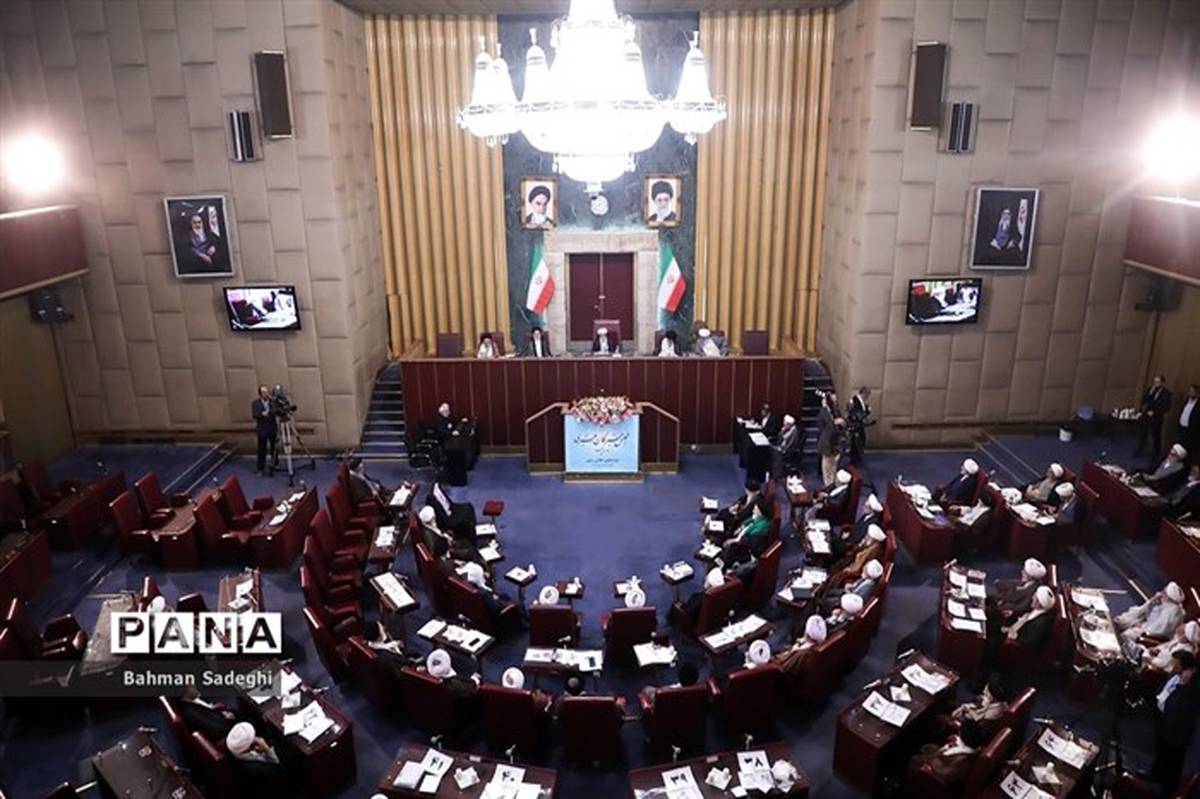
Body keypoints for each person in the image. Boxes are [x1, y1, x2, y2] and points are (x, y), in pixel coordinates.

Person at [1151, 651, 1200, 793]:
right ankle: (1156, 776)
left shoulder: (1192, 686)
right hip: (1163, 720)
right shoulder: (1174, 674)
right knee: (1161, 752)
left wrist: (1184, 684)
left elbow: (1185, 708)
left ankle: (1167, 788)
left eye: (1175, 664)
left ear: (1185, 666)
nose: (1172, 666)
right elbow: (1164, 689)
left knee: (1172, 760)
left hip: (1177, 731)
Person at [908, 718, 989, 790]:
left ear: (961, 735)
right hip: (943, 758)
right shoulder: (976, 746)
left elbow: (941, 773)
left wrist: (936, 755)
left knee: (915, 759)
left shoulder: (958, 765)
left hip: (935, 773)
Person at [225, 721, 292, 791]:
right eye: (254, 737)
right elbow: (279, 771)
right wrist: (266, 749)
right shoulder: (256, 770)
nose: (256, 738)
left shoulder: (233, 749)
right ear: (250, 746)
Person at [1115, 582, 1186, 645]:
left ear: (1168, 597)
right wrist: (1152, 601)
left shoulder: (1173, 612)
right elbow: (1142, 612)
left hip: (1150, 635)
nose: (1160, 593)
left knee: (1128, 634)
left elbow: (1158, 630)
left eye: (1164, 592)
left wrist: (1141, 626)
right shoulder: (1162, 602)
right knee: (1123, 620)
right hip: (1144, 624)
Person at [986, 557, 1048, 626]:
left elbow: (1020, 608)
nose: (1022, 572)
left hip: (1006, 615)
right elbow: (1017, 583)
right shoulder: (1030, 582)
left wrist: (1001, 604)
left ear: (1032, 577)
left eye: (1025, 572)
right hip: (1003, 601)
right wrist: (999, 582)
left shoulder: (1033, 593)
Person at [999, 585, 1056, 650]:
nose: (1032, 597)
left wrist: (1012, 636)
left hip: (1014, 645)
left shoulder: (1041, 624)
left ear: (1039, 603)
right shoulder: (1036, 607)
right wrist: (1012, 613)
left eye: (1034, 597)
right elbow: (1025, 613)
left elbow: (1028, 644)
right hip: (1013, 629)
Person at [774, 614, 827, 679]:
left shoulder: (802, 655)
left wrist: (791, 652)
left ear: (806, 634)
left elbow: (781, 669)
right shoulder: (817, 649)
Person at [1136, 375, 1173, 463]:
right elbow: (1144, 401)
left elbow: (1166, 407)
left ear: (1162, 383)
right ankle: (1139, 450)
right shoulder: (1150, 389)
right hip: (1146, 416)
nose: (1156, 384)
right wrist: (1150, 393)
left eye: (1158, 382)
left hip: (1157, 418)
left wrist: (1155, 412)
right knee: (1143, 434)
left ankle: (1155, 454)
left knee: (1156, 436)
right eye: (1155, 382)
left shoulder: (1167, 394)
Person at [816, 392, 843, 486]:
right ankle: (829, 487)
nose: (835, 402)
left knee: (833, 468)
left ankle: (832, 485)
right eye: (833, 400)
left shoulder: (835, 411)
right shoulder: (824, 412)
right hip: (827, 444)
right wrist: (834, 423)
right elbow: (826, 427)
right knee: (827, 470)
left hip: (835, 444)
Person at [251, 384, 277, 476]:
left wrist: (270, 412)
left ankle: (274, 465)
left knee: (274, 448)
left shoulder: (273, 402)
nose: (266, 394)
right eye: (264, 392)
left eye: (267, 391)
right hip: (262, 429)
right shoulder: (255, 403)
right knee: (262, 449)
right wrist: (262, 414)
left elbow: (276, 411)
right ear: (260, 394)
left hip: (272, 428)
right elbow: (255, 414)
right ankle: (260, 468)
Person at [846, 387, 873, 466]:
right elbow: (855, 413)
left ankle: (856, 459)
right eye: (867, 394)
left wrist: (867, 412)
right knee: (856, 442)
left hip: (859, 425)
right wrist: (867, 411)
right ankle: (854, 460)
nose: (868, 397)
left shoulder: (861, 401)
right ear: (864, 393)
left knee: (860, 441)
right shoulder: (854, 400)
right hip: (856, 425)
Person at [1178, 384, 1198, 460]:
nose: (1191, 393)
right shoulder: (1187, 400)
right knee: (1180, 447)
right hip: (1182, 427)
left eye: (1193, 392)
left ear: (1197, 393)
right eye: (1190, 391)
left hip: (1190, 430)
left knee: (1187, 449)